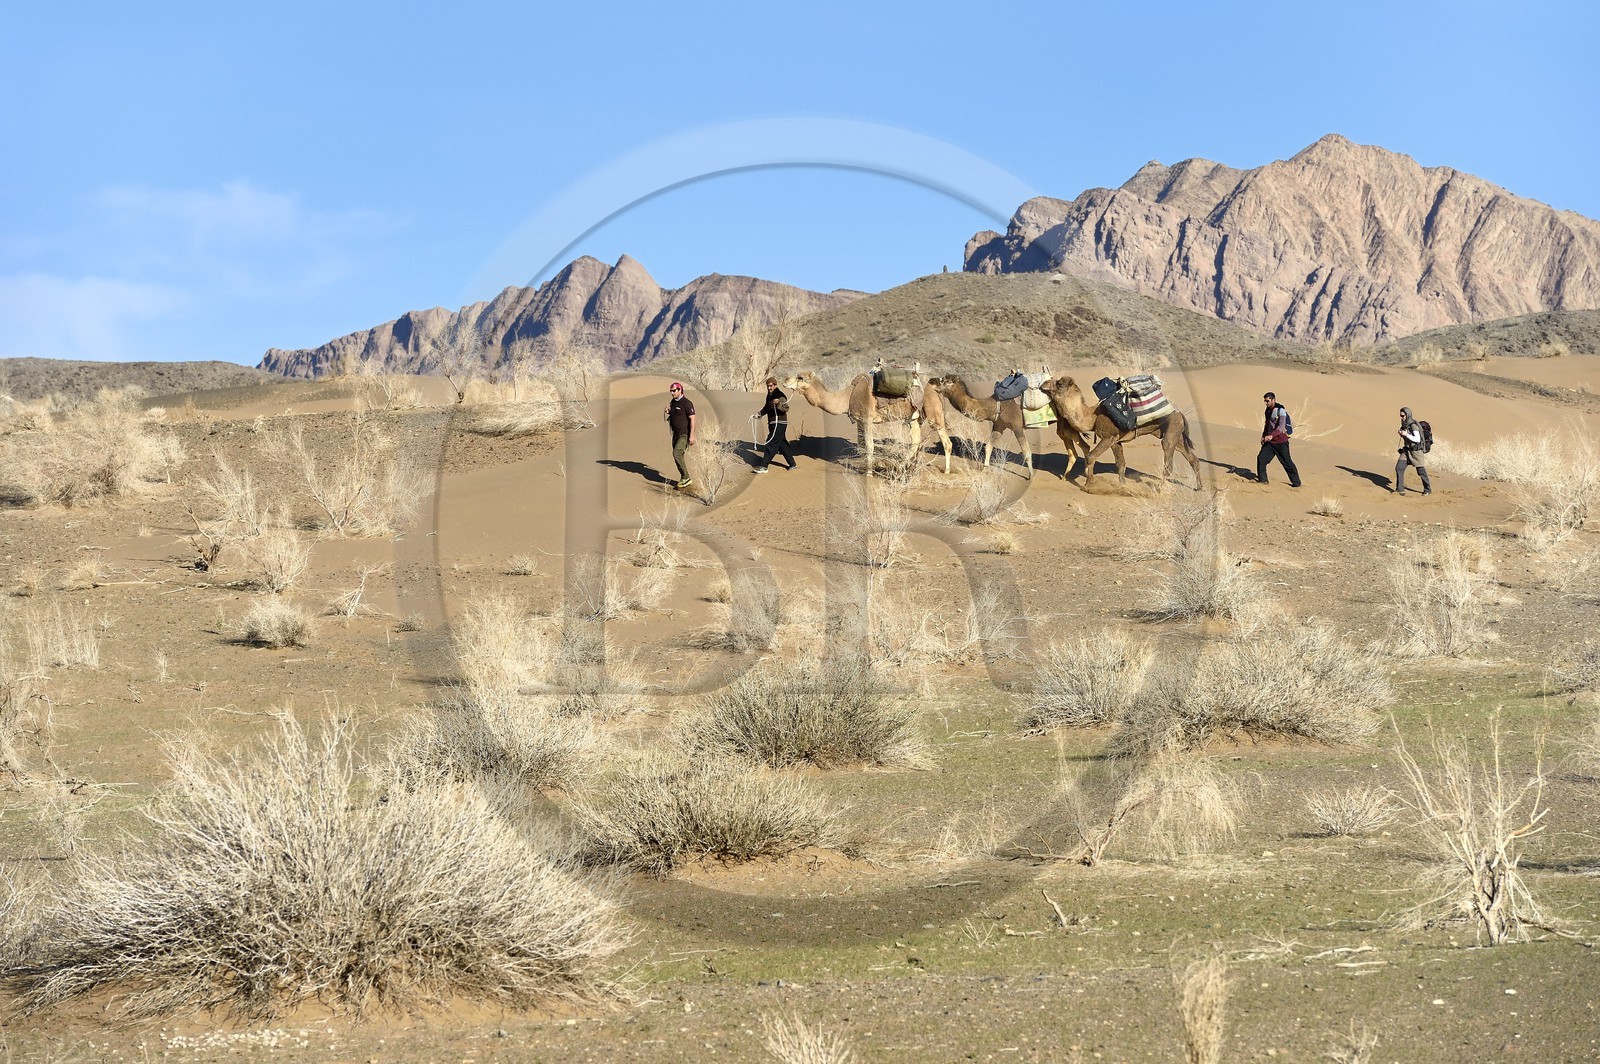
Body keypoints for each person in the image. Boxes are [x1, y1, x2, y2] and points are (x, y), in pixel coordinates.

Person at [751, 376, 796, 473]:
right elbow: (767, 407)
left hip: (779, 423)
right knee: (782, 444)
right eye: (768, 386)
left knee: (770, 443)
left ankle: (764, 466)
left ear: (775, 385)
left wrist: (779, 403)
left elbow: (786, 408)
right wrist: (759, 414)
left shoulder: (780, 395)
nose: (769, 388)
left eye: (771, 386)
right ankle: (792, 464)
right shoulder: (769, 395)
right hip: (773, 423)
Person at [1256, 391, 1301, 487]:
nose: (1266, 403)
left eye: (1267, 401)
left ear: (1273, 400)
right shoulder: (1267, 410)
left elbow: (1281, 427)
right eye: (1265, 401)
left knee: (1287, 463)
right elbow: (1267, 425)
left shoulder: (1281, 411)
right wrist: (1263, 436)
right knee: (1261, 458)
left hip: (1281, 442)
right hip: (1270, 442)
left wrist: (1271, 435)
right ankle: (1263, 481)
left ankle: (1297, 484)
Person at [664, 381, 695, 488]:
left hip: (684, 434)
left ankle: (686, 477)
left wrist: (691, 435)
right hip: (675, 434)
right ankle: (684, 477)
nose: (672, 393)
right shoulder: (673, 402)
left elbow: (692, 419)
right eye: (671, 391)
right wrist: (668, 411)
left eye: (673, 391)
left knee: (676, 453)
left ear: (680, 390)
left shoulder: (687, 403)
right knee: (678, 455)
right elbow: (675, 413)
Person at [1394, 406, 1432, 495]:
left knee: (1421, 471)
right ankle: (1400, 489)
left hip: (1416, 452)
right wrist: (1401, 433)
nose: (1401, 417)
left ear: (1408, 415)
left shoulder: (1413, 425)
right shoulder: (1404, 424)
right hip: (1406, 451)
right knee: (1399, 468)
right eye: (1400, 416)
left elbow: (1417, 439)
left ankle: (1427, 490)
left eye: (1403, 416)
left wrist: (1406, 435)